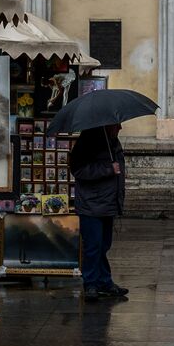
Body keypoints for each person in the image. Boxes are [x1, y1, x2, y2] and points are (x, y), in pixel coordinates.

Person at [70, 123, 129, 301]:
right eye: (116, 125)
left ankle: (105, 282)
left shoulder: (113, 141)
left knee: (104, 246)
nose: (120, 128)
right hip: (92, 205)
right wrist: (108, 169)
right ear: (107, 125)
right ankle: (91, 284)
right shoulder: (88, 140)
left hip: (107, 203)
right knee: (93, 246)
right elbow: (78, 169)